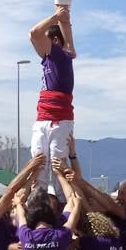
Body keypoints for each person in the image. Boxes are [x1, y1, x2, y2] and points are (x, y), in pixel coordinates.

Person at [28, 11, 76, 200]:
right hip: (44, 118)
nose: (40, 45)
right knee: (39, 165)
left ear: (55, 41)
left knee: (58, 167)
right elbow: (33, 38)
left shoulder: (59, 55)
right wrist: (63, 20)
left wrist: (58, 15)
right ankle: (36, 208)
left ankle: (64, 207)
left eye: (46, 40)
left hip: (59, 119)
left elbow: (34, 33)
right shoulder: (50, 59)